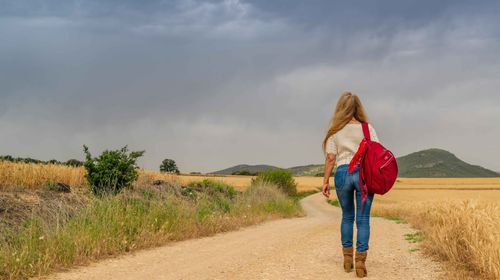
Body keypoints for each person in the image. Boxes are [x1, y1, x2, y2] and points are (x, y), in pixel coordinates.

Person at [321, 92, 379, 278]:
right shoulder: (367, 129)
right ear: (358, 108)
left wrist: (325, 181)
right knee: (363, 220)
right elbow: (378, 152)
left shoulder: (335, 130)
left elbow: (331, 158)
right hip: (364, 175)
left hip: (343, 173)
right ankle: (360, 263)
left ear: (340, 108)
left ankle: (347, 260)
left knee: (347, 217)